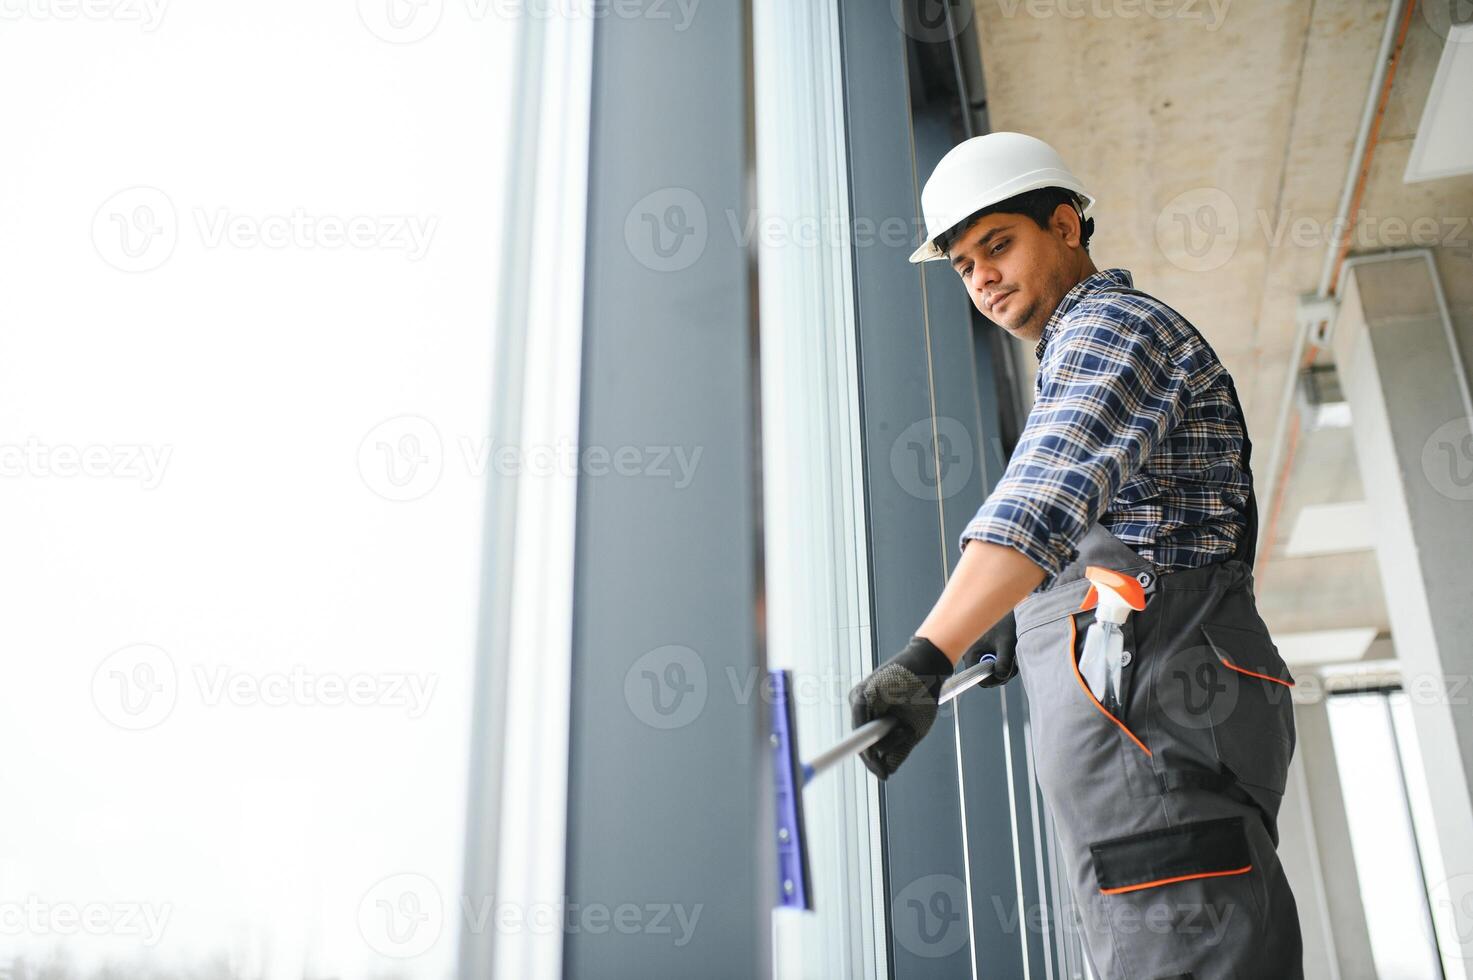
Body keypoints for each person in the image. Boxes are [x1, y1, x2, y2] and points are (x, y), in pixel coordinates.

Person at [848, 132, 1303, 979]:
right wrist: (1027, 617)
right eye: (960, 263)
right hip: (1155, 715)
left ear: (1064, 226)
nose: (980, 276)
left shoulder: (1107, 326)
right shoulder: (1079, 347)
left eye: (997, 244)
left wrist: (927, 654)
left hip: (1152, 714)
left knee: (1178, 943)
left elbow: (1043, 494)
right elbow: (1120, 524)